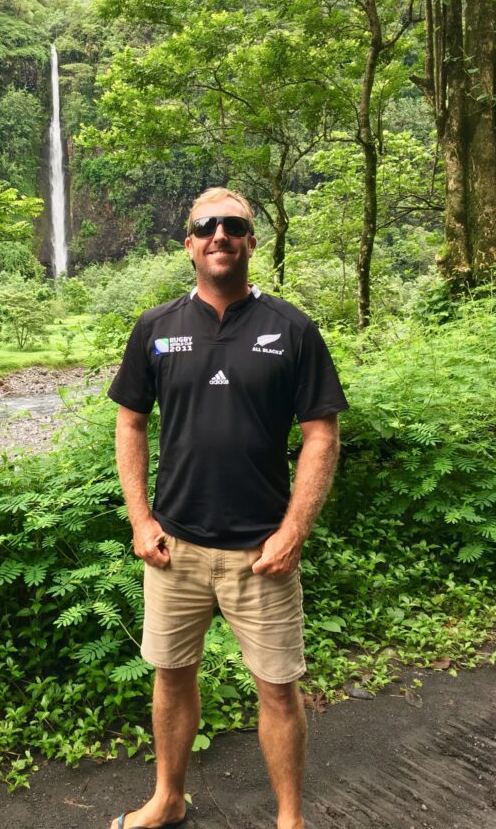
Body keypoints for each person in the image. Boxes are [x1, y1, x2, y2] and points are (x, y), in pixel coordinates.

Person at [107, 187, 348, 829]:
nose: (220, 235)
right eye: (206, 226)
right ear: (188, 243)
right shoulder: (155, 329)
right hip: (174, 547)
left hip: (261, 552)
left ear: (250, 240)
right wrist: (141, 520)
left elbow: (321, 433)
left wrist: (295, 529)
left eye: (234, 225)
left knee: (277, 687)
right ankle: (168, 798)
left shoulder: (292, 328)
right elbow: (130, 424)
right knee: (172, 676)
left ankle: (290, 819)